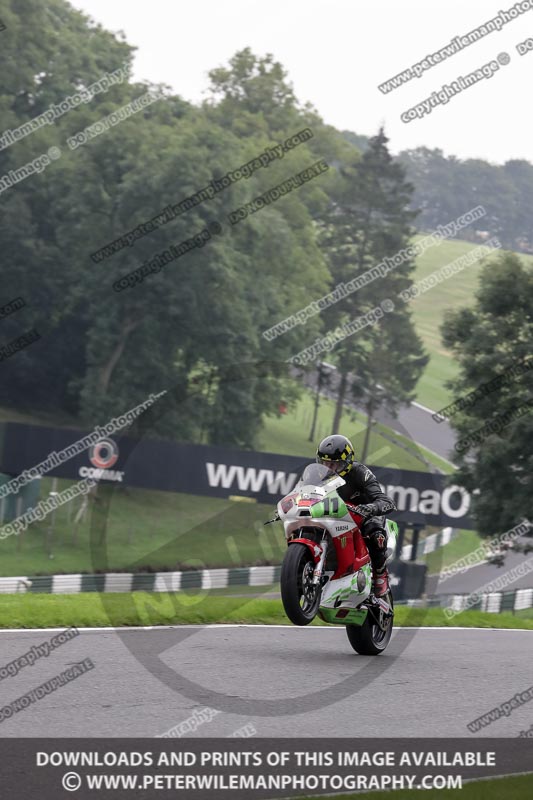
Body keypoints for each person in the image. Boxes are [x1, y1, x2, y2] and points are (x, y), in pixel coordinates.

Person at [316, 434, 396, 597]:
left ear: (346, 462)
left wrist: (370, 508)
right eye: (324, 463)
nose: (328, 468)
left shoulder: (360, 473)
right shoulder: (319, 476)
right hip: (335, 514)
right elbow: (304, 493)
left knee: (374, 532)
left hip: (363, 514)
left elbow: (385, 500)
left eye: (333, 464)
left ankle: (380, 574)